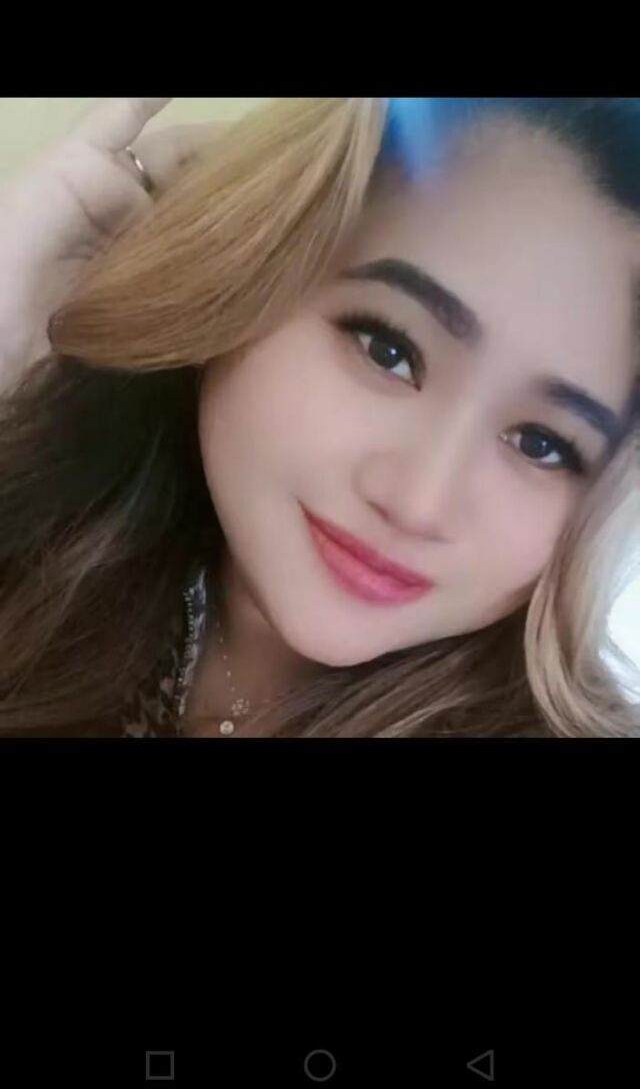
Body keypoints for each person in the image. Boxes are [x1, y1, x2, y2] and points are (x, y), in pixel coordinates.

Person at [0, 96, 638, 738]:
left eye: (541, 443)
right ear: (246, 268)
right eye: (388, 351)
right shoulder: (48, 525)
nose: (418, 504)